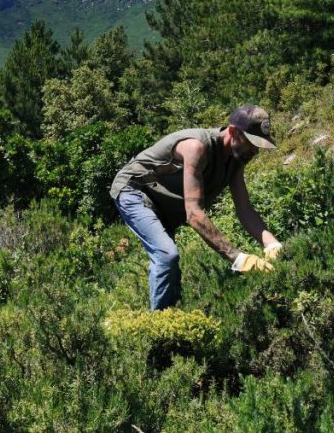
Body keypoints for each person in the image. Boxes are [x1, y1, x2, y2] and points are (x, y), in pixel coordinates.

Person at [110, 105, 283, 310]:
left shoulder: (236, 159)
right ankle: (157, 326)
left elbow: (245, 209)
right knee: (167, 255)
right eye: (251, 143)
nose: (255, 150)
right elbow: (194, 214)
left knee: (170, 274)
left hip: (166, 205)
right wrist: (238, 258)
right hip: (136, 191)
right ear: (233, 131)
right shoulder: (196, 148)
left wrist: (272, 245)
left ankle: (172, 320)